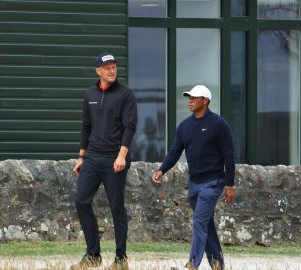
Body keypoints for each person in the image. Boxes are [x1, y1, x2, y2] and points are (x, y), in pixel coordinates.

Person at [151, 85, 235, 270]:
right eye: (189, 97)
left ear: (205, 101)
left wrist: (230, 184)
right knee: (206, 224)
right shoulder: (185, 126)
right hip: (194, 184)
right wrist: (161, 170)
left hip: (213, 182)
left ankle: (192, 265)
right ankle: (218, 265)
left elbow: (229, 155)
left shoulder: (218, 124)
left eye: (194, 97)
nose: (190, 100)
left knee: (198, 222)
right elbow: (174, 152)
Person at [71, 52, 137, 270]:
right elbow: (85, 126)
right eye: (107, 67)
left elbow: (130, 127)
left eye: (114, 66)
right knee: (81, 201)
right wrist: (81, 156)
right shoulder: (89, 93)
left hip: (114, 159)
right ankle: (93, 255)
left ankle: (120, 259)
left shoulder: (125, 94)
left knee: (116, 207)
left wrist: (121, 156)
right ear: (98, 71)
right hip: (92, 157)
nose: (112, 70)